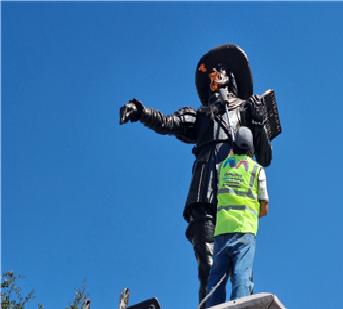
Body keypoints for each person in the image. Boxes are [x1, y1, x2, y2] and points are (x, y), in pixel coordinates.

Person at [119, 44, 279, 307]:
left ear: (232, 78)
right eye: (213, 70)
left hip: (236, 199)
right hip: (205, 192)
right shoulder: (201, 115)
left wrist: (259, 123)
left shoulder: (248, 111)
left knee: (240, 266)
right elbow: (167, 123)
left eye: (222, 68)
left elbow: (265, 158)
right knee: (207, 266)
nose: (216, 71)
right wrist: (140, 111)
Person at [205, 127, 269, 308]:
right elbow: (264, 207)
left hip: (222, 229)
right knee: (242, 274)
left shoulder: (222, 167)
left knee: (216, 276)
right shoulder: (257, 170)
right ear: (252, 148)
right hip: (244, 230)